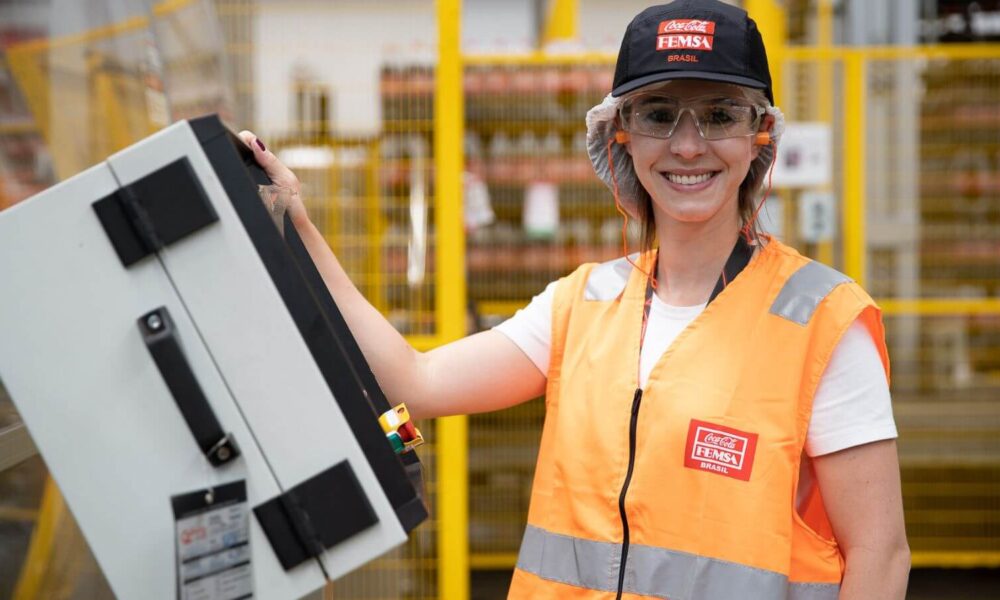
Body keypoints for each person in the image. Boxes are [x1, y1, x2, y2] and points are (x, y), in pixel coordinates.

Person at [240, 1, 909, 597]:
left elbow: (879, 555)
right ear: (619, 133)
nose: (686, 144)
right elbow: (420, 384)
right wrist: (295, 223)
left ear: (759, 133)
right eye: (656, 114)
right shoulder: (584, 303)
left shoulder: (821, 321)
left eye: (720, 114)